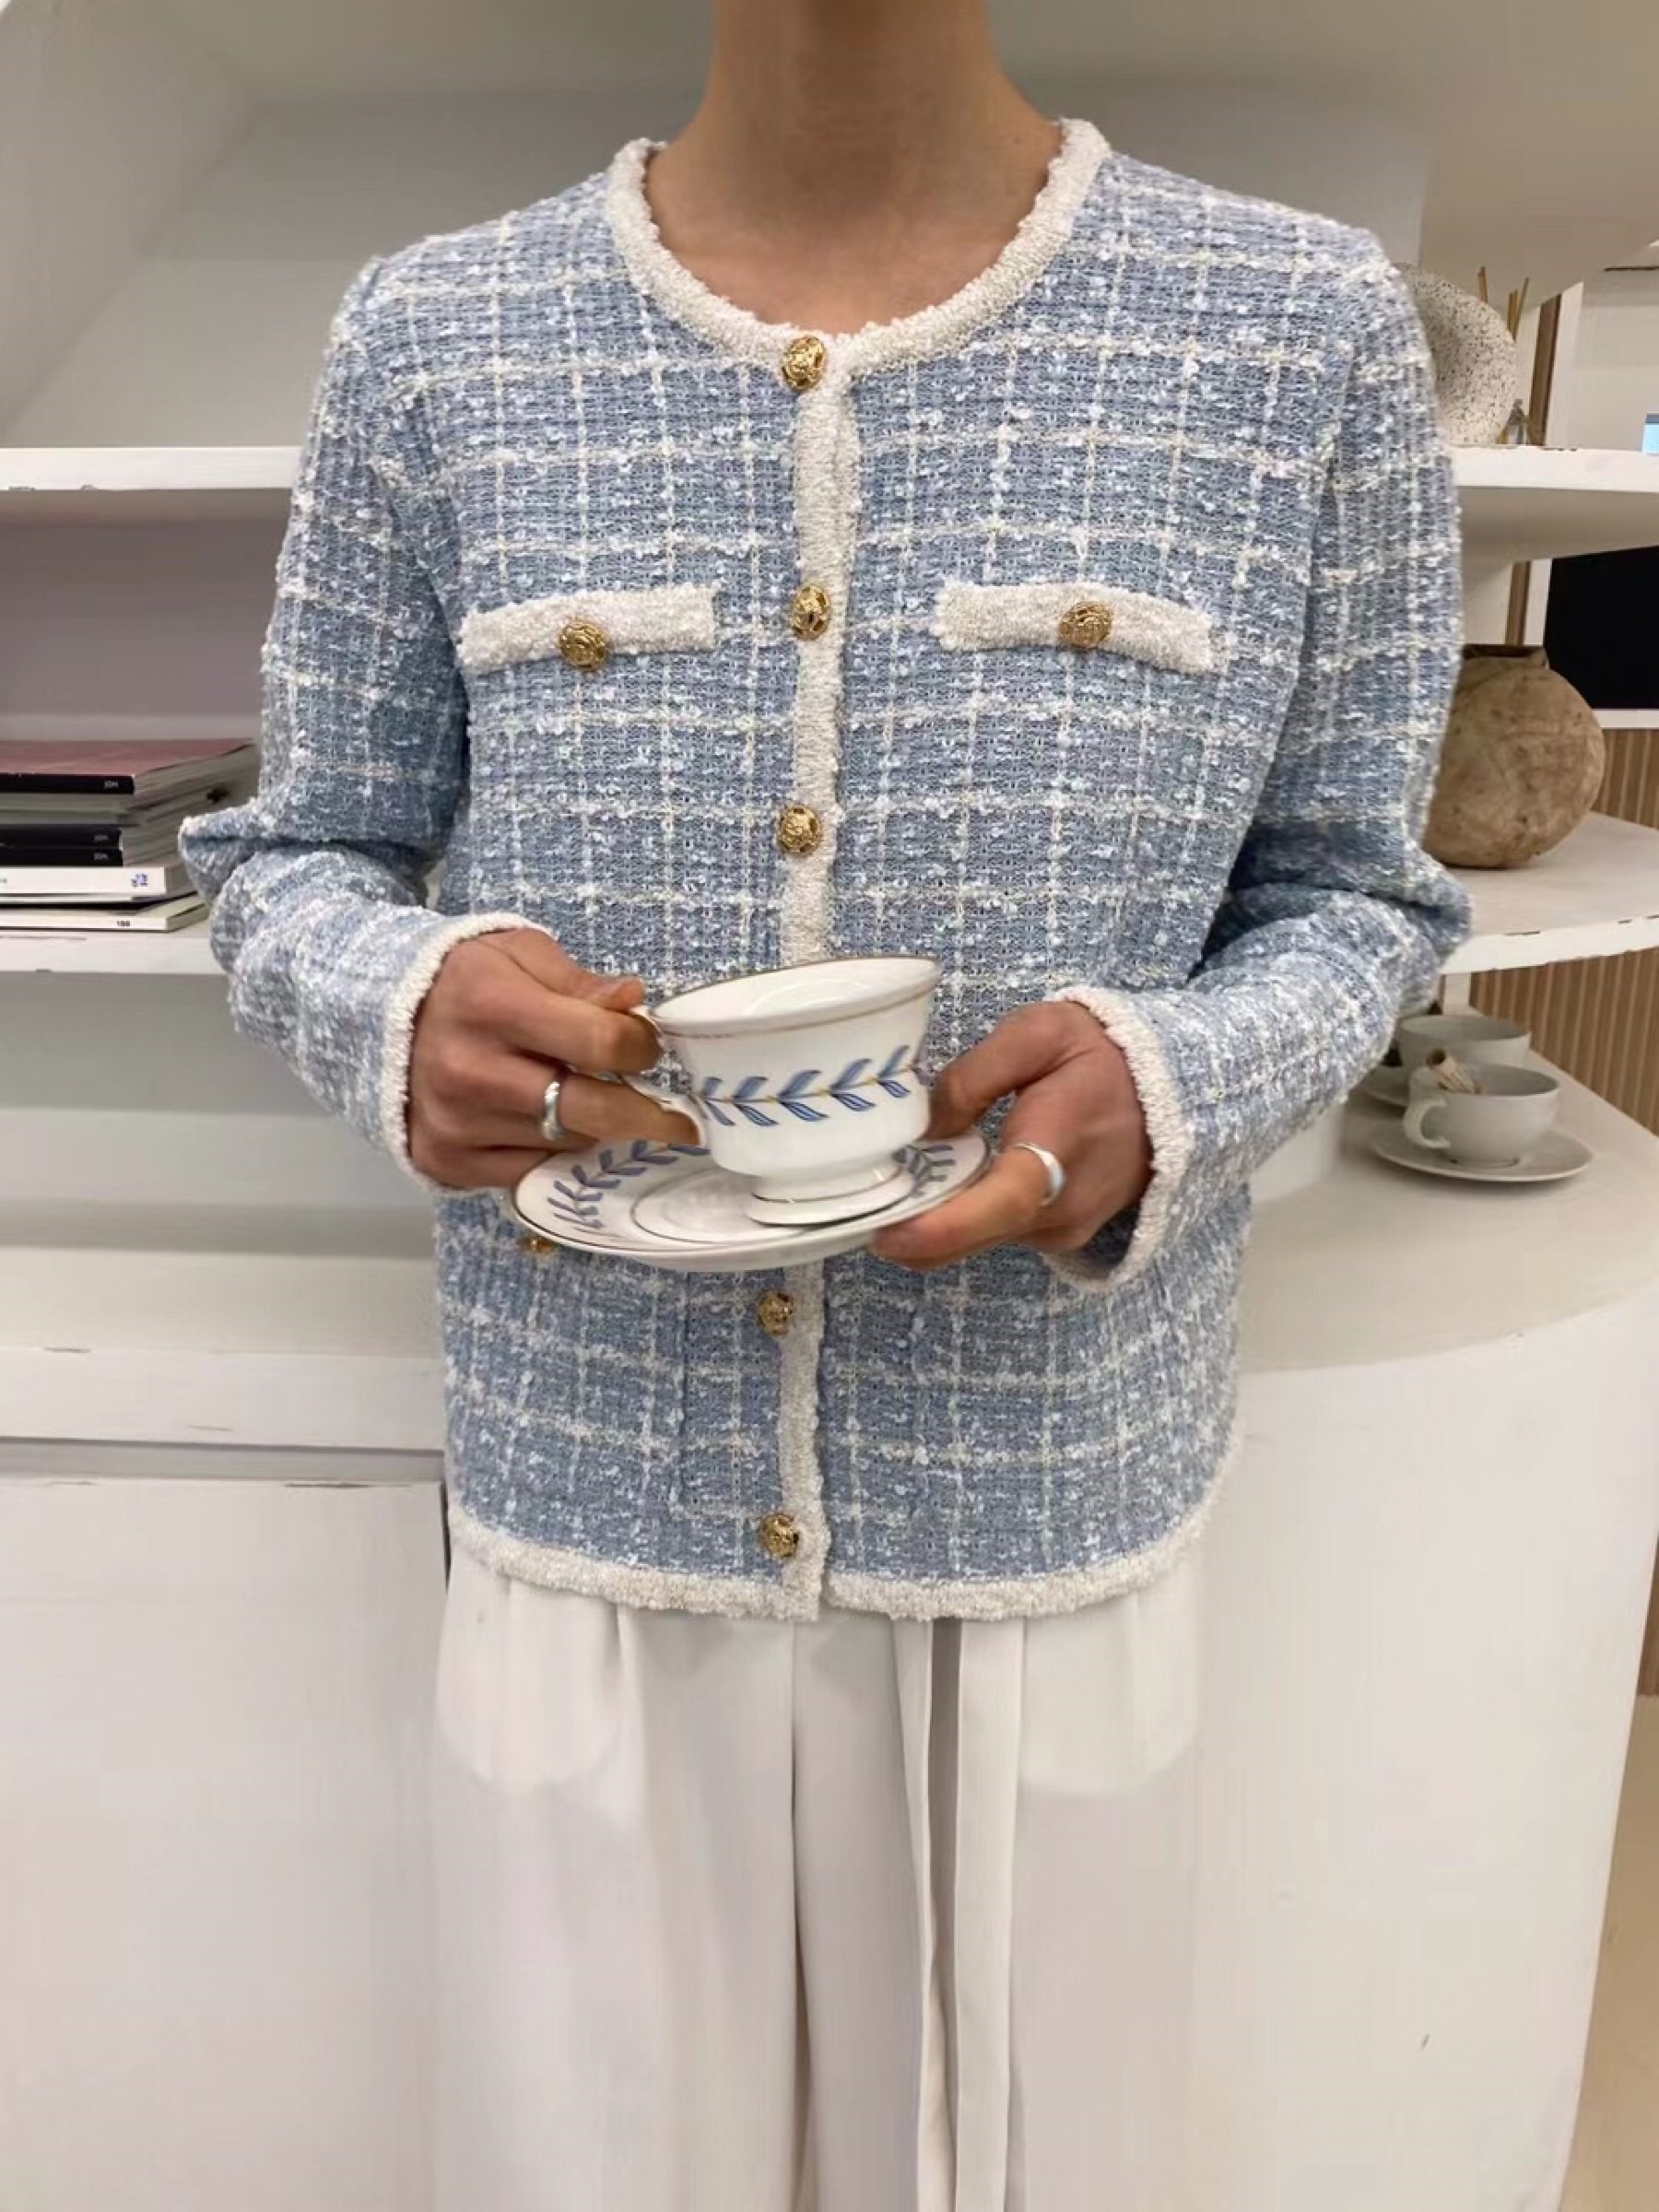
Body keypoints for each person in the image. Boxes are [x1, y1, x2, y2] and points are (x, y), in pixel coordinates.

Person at [181, 0, 1469, 2203]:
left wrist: (1173, 1083)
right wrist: (403, 1006)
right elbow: (293, 856)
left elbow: (1361, 894)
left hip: (1043, 1510)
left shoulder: (1298, 330)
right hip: (598, 1501)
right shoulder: (436, 338)